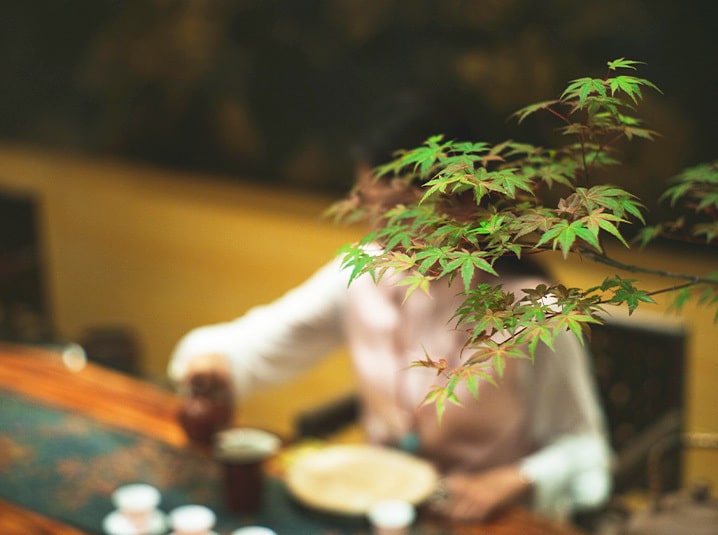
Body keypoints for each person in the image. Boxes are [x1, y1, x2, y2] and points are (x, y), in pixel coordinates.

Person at [168, 102, 613, 522]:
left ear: (462, 204)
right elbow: (253, 343)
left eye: (395, 213)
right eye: (369, 207)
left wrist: (513, 480)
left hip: (486, 520)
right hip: (378, 508)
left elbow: (585, 451)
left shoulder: (534, 310)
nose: (377, 231)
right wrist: (214, 364)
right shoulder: (367, 270)